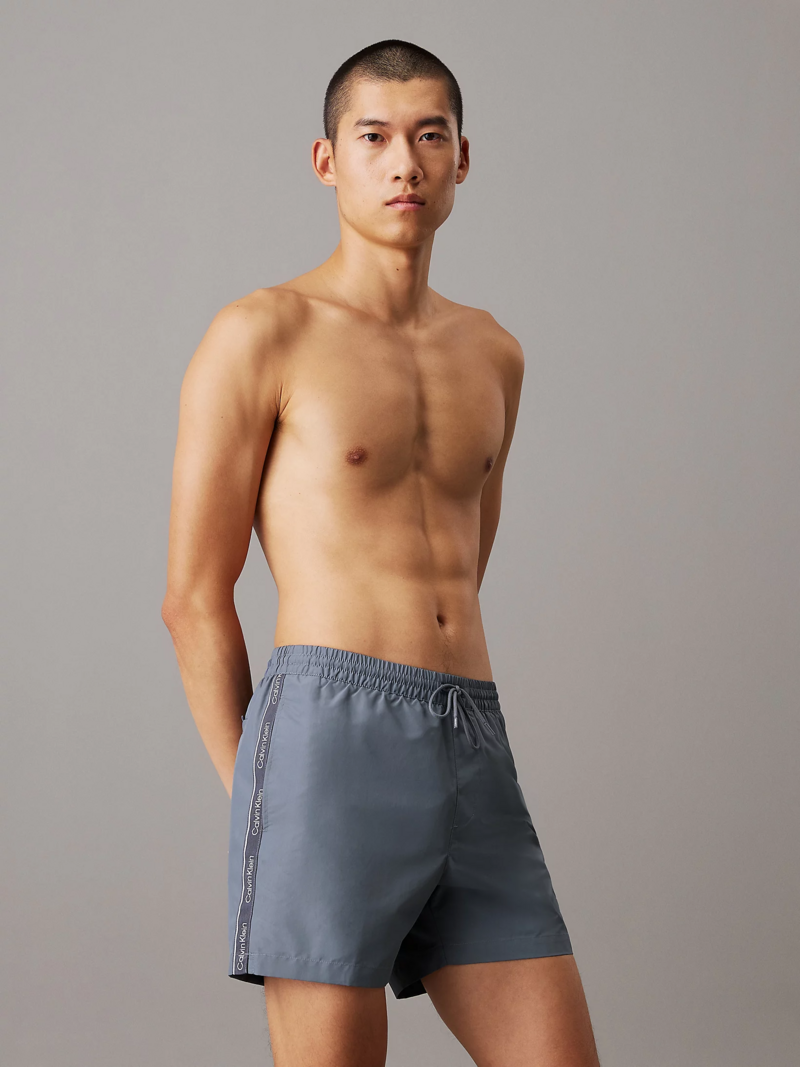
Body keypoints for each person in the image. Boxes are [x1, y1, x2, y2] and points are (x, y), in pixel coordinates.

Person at [162, 38, 601, 1067]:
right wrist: (258, 787)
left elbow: (463, 564)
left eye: (428, 136)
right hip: (328, 737)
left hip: (470, 733)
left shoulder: (493, 352)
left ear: (461, 158)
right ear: (328, 160)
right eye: (374, 137)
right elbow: (192, 594)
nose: (404, 162)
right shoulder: (262, 333)